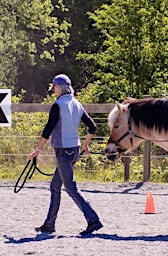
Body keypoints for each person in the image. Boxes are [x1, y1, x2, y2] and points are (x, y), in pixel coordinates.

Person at [30, 74, 103, 236]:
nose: (53, 91)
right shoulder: (77, 104)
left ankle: (93, 220)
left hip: (63, 151)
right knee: (55, 186)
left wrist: (37, 150)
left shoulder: (58, 105)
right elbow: (92, 126)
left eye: (54, 88)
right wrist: (86, 144)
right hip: (75, 150)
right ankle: (49, 224)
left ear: (59, 87)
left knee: (70, 187)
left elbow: (48, 130)